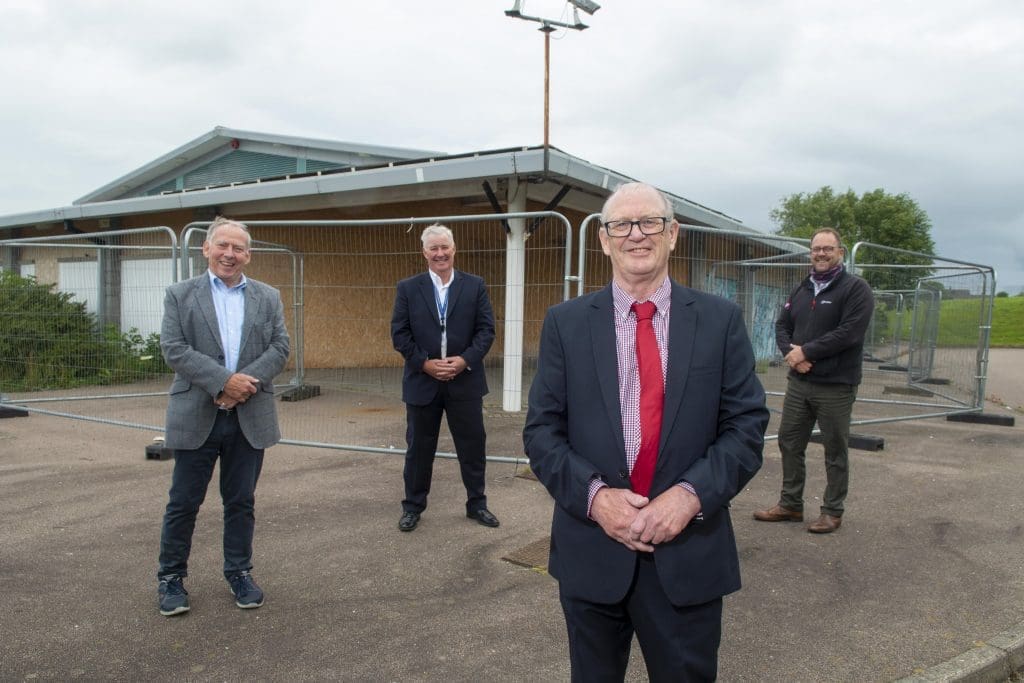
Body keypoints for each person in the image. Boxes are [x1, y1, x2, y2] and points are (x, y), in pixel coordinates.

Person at [523, 183, 769, 681]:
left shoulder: (720, 321)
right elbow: (542, 432)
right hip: (592, 554)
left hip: (687, 555)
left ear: (672, 234)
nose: (636, 234)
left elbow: (746, 427)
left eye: (649, 222)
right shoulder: (565, 324)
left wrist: (688, 496)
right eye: (621, 225)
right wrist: (596, 499)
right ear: (604, 240)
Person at [155, 216, 290, 616]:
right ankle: (171, 579)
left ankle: (239, 572)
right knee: (183, 502)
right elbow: (174, 348)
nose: (230, 254)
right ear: (207, 249)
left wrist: (243, 386)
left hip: (249, 415)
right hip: (197, 414)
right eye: (223, 246)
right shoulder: (180, 294)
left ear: (248, 255)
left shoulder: (268, 296)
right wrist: (223, 383)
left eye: (238, 248)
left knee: (241, 502)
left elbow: (280, 348)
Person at [753, 227, 874, 534]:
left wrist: (806, 352)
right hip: (800, 383)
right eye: (816, 249)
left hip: (835, 385)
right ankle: (791, 504)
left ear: (840, 253)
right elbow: (782, 325)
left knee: (835, 449)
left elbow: (849, 332)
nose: (821, 253)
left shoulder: (855, 289)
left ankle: (833, 511)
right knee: (789, 441)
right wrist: (791, 354)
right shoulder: (802, 288)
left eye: (827, 249)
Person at [390, 224, 499, 532]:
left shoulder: (474, 285)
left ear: (454, 250)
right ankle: (412, 506)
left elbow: (486, 330)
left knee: (473, 447)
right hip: (422, 382)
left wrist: (464, 360)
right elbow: (400, 334)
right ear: (424, 253)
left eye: (444, 247)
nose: (440, 253)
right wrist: (425, 364)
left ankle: (477, 504)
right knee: (419, 450)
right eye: (433, 248)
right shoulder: (408, 288)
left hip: (464, 382)